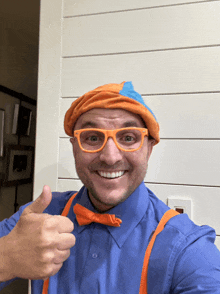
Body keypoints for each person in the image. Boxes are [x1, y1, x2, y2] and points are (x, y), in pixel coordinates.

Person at [0, 81, 220, 293]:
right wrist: (7, 258)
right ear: (75, 147)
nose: (110, 157)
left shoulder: (187, 248)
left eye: (128, 137)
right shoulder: (36, 219)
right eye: (93, 138)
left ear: (149, 149)